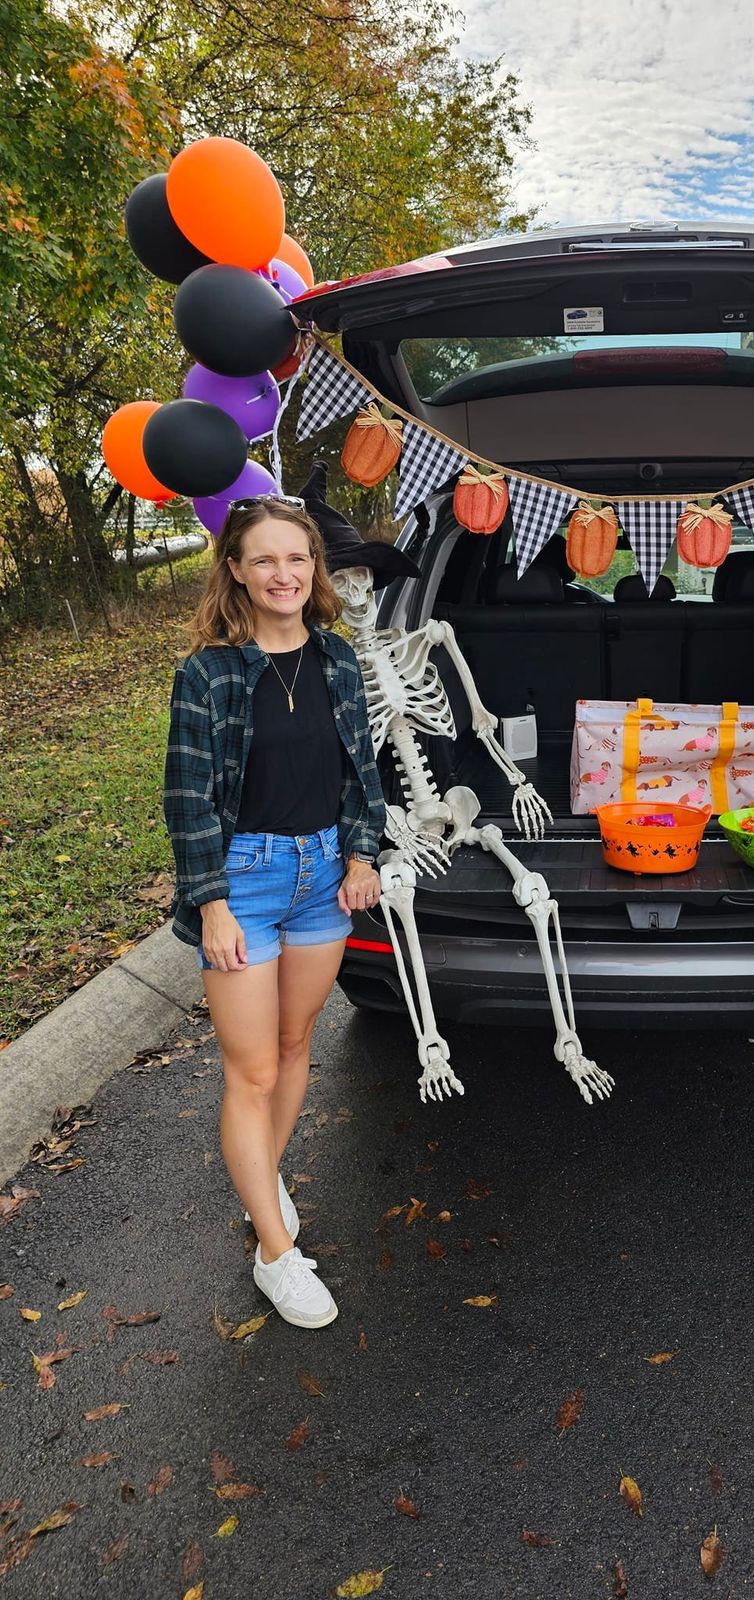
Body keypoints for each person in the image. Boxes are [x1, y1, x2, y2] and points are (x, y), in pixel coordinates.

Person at [164, 492, 388, 1329]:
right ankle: (276, 1254)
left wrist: (362, 853)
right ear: (236, 570)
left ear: (313, 569)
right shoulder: (210, 671)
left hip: (324, 875)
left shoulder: (334, 659)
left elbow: (362, 773)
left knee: (296, 1046)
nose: (283, 574)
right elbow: (186, 798)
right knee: (250, 1071)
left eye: (296, 559)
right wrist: (211, 903)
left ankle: (267, 1184)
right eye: (264, 559)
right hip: (246, 881)